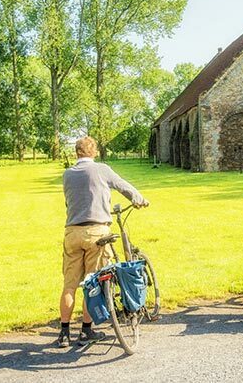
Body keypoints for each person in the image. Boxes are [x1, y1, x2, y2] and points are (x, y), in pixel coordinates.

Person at [57, 136, 149, 348]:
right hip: (96, 232)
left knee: (69, 285)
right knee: (92, 284)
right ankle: (86, 331)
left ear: (76, 153)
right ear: (94, 152)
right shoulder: (101, 169)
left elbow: (69, 202)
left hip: (72, 232)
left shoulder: (67, 174)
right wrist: (139, 199)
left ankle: (64, 333)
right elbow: (123, 186)